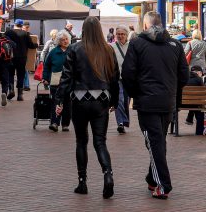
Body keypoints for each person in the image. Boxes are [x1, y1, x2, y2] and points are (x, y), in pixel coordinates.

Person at [121, 10, 189, 200]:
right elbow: (184, 75)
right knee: (158, 141)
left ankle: (162, 184)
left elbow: (127, 74)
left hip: (147, 102)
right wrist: (172, 91)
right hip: (167, 101)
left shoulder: (137, 43)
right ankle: (152, 178)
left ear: (145, 25)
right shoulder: (175, 45)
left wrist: (136, 94)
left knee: (154, 141)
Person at [54, 16, 119, 198]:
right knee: (100, 141)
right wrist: (114, 100)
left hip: (80, 100)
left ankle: (82, 182)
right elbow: (114, 78)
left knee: (81, 141)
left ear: (83, 29)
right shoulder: (108, 50)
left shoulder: (75, 49)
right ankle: (108, 174)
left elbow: (66, 77)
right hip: (101, 100)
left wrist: (59, 100)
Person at [42, 32, 72, 131]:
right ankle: (54, 122)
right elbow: (47, 66)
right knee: (56, 101)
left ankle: (65, 124)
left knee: (67, 103)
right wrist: (45, 78)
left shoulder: (72, 51)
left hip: (69, 81)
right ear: (59, 41)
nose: (65, 41)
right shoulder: (53, 52)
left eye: (66, 39)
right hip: (56, 80)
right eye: (63, 40)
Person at [5, 20, 37, 101]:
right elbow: (31, 45)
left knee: (10, 74)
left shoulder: (8, 32)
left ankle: (11, 90)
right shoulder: (25, 34)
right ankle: (20, 95)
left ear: (15, 24)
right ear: (21, 25)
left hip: (11, 57)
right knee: (21, 75)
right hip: (22, 57)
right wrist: (36, 44)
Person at [111, 26, 131, 134]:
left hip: (128, 78)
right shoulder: (111, 47)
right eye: (118, 34)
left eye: (122, 34)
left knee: (126, 101)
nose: (120, 36)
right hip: (116, 78)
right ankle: (121, 123)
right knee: (119, 99)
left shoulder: (132, 46)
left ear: (126, 35)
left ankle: (124, 121)